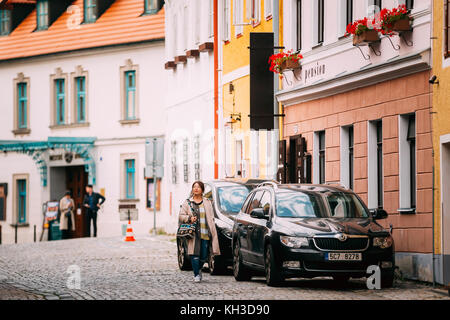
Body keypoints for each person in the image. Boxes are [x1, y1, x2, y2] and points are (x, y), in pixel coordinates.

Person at [179, 181, 220, 282]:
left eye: (198, 187)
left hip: (205, 232)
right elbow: (181, 216)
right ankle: (196, 274)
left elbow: (211, 218)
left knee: (204, 255)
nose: (196, 189)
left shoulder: (207, 202)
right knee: (194, 254)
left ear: (202, 190)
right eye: (194, 187)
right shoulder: (187, 202)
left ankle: (199, 268)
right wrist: (189, 218)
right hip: (193, 234)